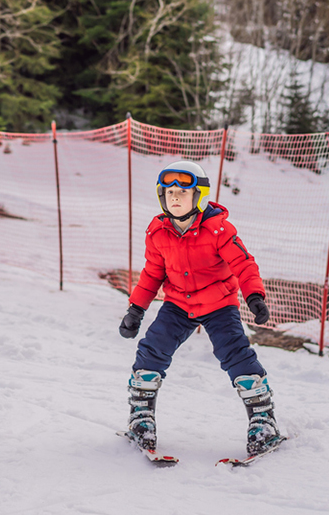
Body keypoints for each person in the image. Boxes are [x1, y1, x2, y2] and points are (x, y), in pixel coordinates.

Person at [118, 160, 280, 458]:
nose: (175, 197)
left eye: (183, 191)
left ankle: (263, 420)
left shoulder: (218, 229)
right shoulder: (158, 233)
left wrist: (254, 295)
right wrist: (135, 310)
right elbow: (152, 274)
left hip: (219, 304)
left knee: (235, 354)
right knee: (151, 350)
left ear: (200, 196)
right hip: (178, 304)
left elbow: (243, 263)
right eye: (169, 193)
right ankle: (141, 417)